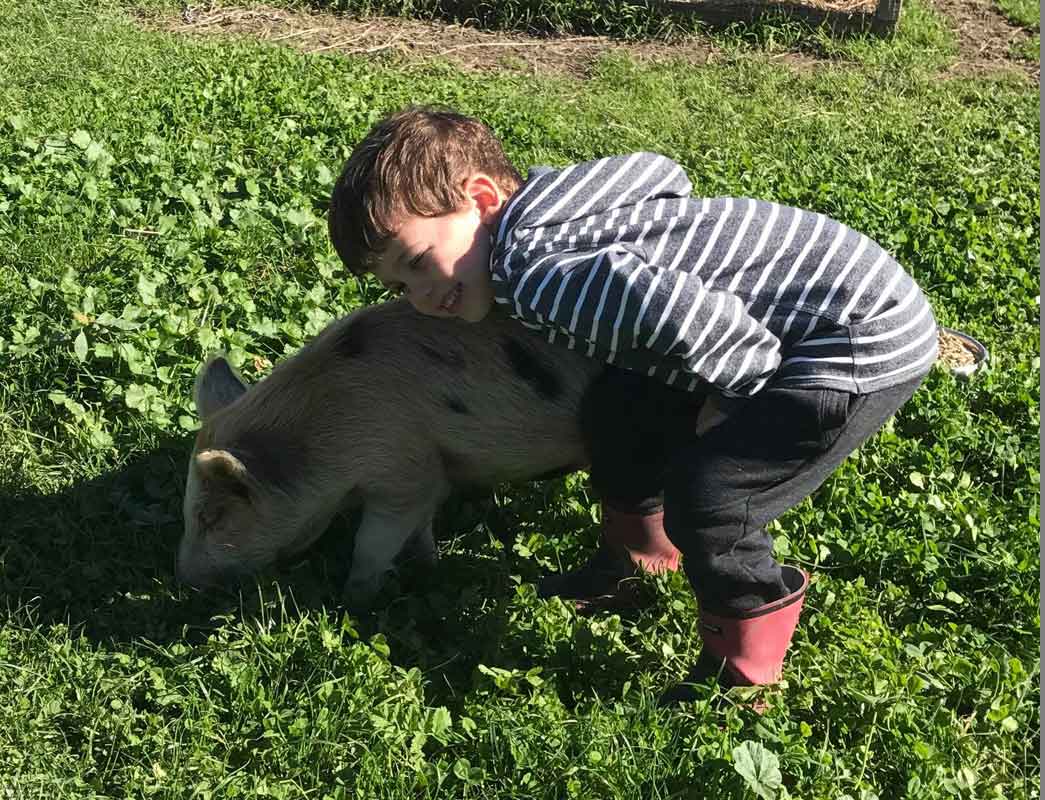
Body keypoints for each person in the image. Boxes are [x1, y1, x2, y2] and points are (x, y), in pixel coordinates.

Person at [327, 106, 938, 698]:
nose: (420, 298)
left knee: (715, 498)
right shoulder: (548, 210)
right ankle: (639, 558)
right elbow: (659, 170)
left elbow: (674, 309)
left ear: (484, 199)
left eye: (418, 264)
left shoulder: (542, 275)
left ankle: (744, 675)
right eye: (399, 286)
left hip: (857, 337)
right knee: (617, 410)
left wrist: (737, 397)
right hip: (839, 294)